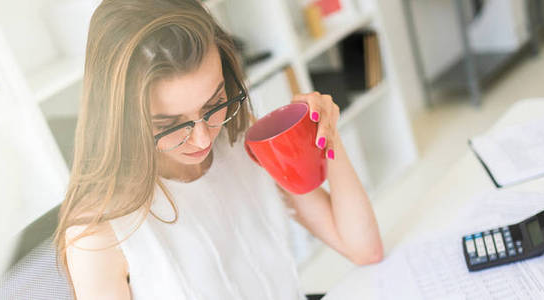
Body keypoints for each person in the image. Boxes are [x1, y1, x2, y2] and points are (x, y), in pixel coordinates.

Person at [52, 0, 383, 298]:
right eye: (169, 125)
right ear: (119, 118)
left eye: (214, 104)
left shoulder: (239, 140)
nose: (203, 140)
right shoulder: (97, 233)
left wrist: (329, 136)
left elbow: (364, 250)